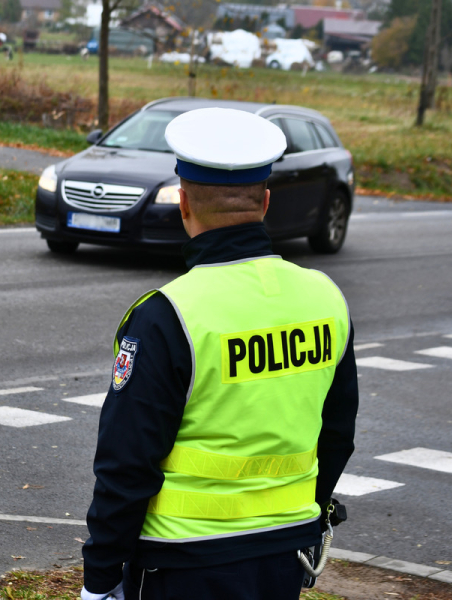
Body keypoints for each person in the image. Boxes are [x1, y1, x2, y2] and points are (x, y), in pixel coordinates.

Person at [80, 108, 358, 600]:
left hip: (184, 561)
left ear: (183, 203)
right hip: (283, 556)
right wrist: (306, 517)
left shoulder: (166, 315)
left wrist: (100, 578)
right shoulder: (326, 298)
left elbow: (126, 463)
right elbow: (337, 432)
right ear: (266, 201)